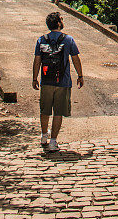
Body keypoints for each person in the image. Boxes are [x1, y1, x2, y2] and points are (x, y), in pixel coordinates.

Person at [32, 11, 84, 151]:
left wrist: (34, 78)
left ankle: (44, 135)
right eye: (61, 19)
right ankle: (53, 141)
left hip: (46, 81)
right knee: (58, 112)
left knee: (45, 110)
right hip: (63, 81)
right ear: (59, 23)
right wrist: (80, 75)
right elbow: (75, 59)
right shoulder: (68, 40)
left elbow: (37, 60)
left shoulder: (41, 40)